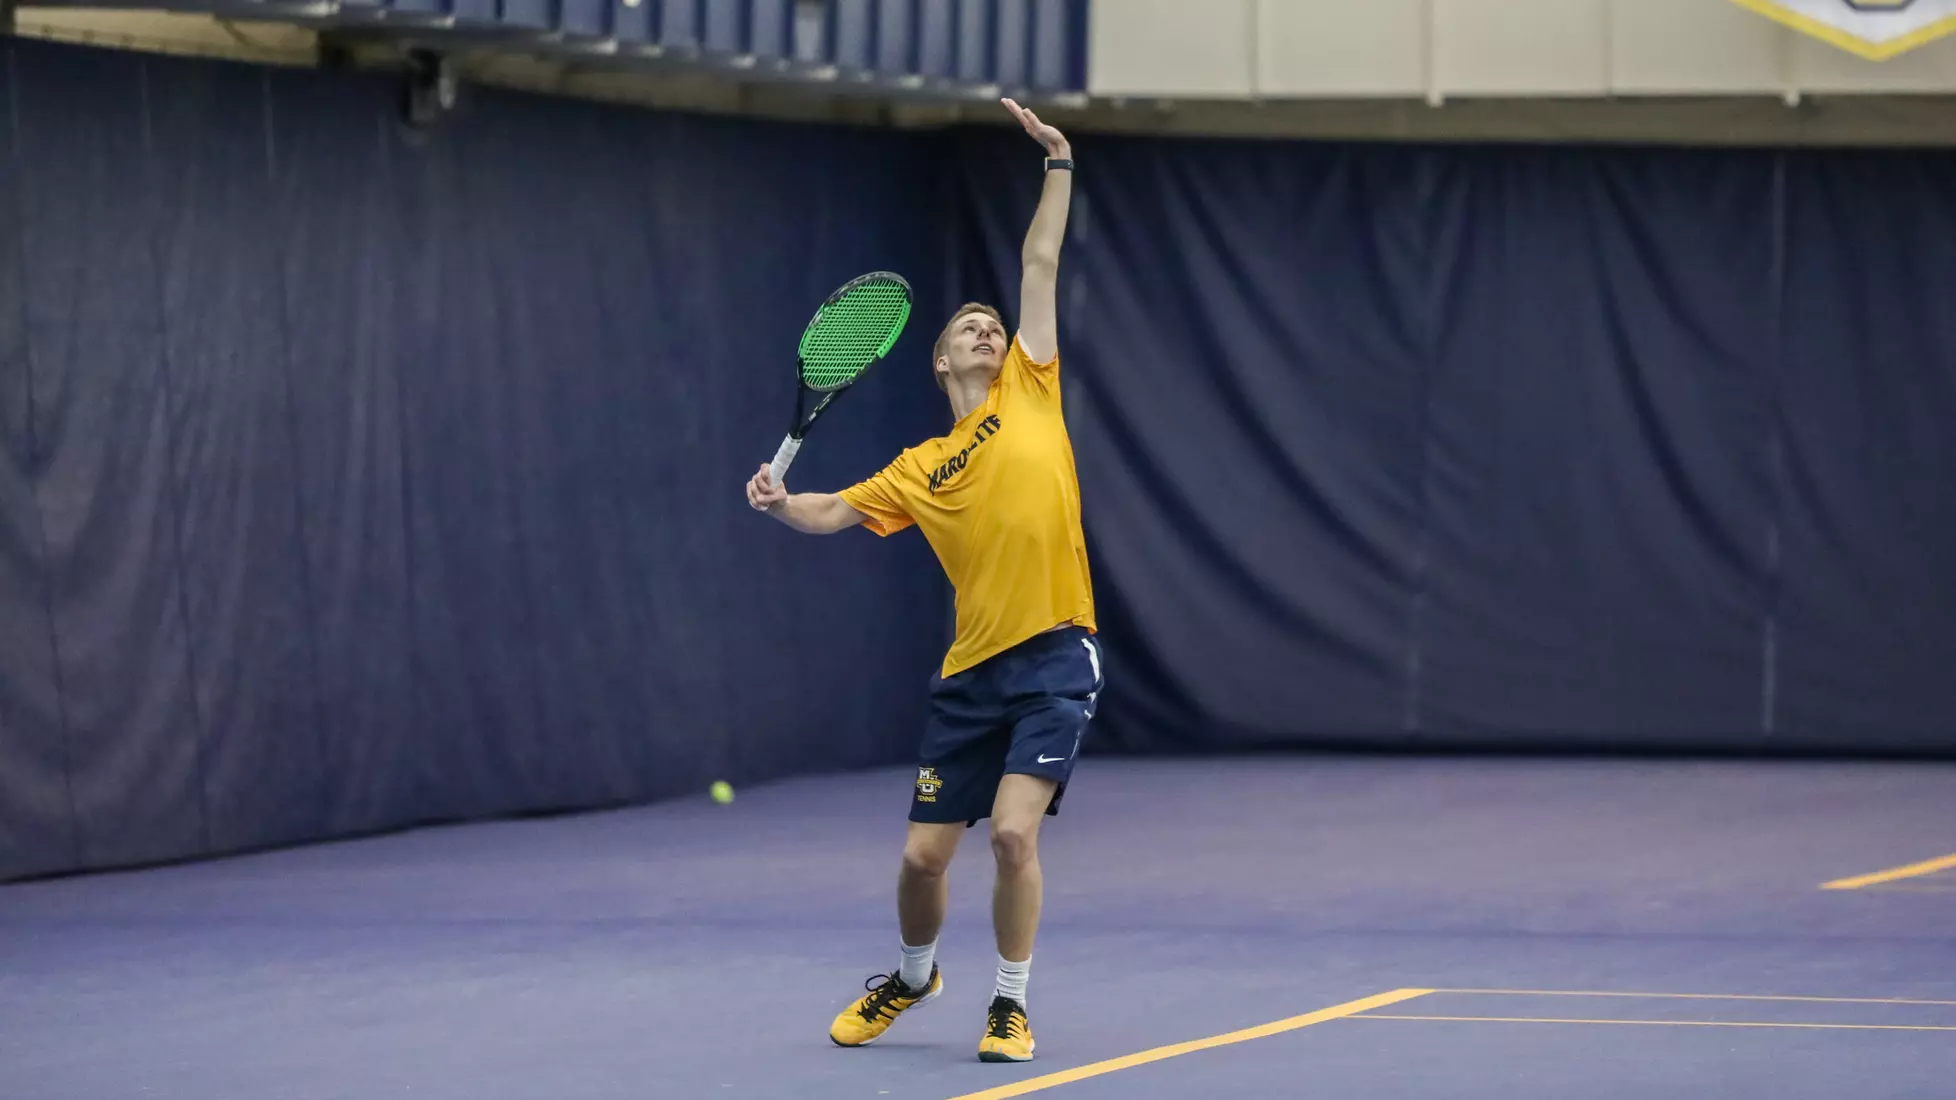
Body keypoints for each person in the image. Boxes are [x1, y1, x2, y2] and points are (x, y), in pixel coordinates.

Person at [744, 97, 1098, 1064]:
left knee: (1014, 839)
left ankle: (1009, 1005)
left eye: (992, 324)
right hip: (971, 672)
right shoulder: (915, 468)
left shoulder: (1033, 380)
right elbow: (834, 511)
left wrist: (1057, 165)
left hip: (1058, 652)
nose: (989, 330)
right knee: (919, 859)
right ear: (939, 359)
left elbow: (1037, 264)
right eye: (970, 328)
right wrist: (782, 501)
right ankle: (911, 978)